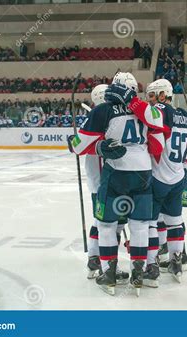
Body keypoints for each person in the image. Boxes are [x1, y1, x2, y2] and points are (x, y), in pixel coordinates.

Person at [68, 72, 164, 296]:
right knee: (140, 225)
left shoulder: (104, 110)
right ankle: (138, 274)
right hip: (143, 172)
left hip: (117, 173)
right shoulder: (146, 110)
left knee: (107, 225)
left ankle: (108, 273)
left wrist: (74, 142)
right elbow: (157, 124)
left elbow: (79, 146)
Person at [143, 79, 187, 285]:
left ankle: (151, 267)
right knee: (174, 220)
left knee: (150, 222)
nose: (149, 101)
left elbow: (146, 121)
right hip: (178, 177)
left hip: (159, 176)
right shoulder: (184, 115)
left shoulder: (160, 110)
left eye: (152, 96)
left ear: (162, 95)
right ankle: (177, 260)